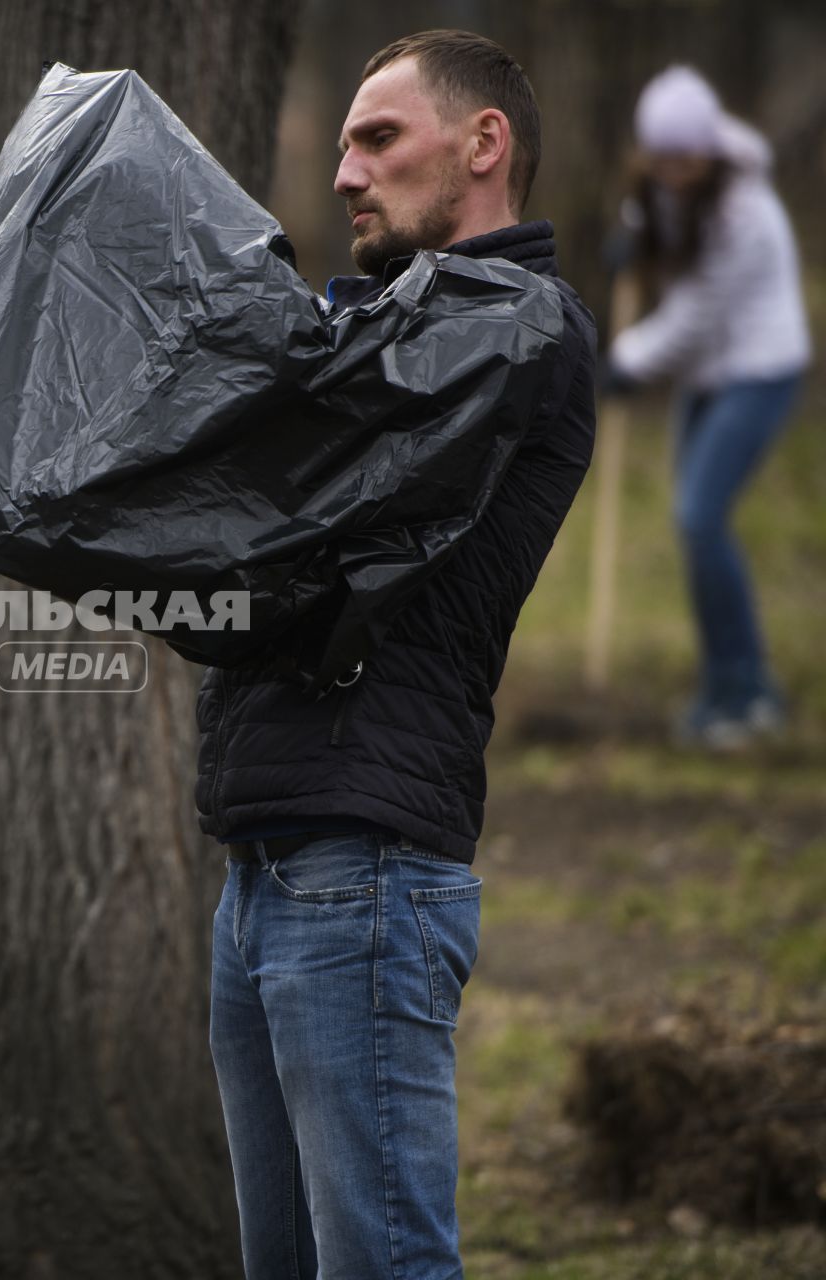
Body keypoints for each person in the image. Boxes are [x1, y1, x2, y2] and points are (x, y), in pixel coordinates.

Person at [196, 32, 596, 1279]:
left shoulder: (514, 330)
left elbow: (303, 510)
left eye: (379, 140)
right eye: (343, 147)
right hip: (263, 869)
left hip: (365, 872)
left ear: (484, 145)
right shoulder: (371, 323)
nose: (345, 175)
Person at [601, 66, 810, 748]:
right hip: (708, 370)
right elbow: (655, 218)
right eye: (661, 160)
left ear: (708, 151)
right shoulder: (661, 182)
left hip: (759, 367)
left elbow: (694, 315)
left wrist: (627, 362)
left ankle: (748, 691)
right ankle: (721, 684)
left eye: (685, 159)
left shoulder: (746, 211)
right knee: (693, 522)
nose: (674, 171)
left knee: (700, 515)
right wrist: (633, 236)